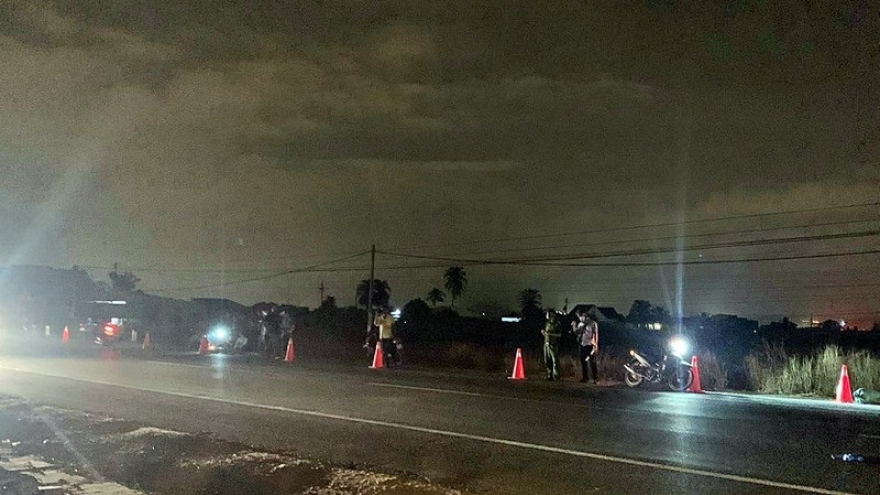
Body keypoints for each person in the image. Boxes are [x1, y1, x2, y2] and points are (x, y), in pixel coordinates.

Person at [572, 310, 599, 384]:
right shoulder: (581, 324)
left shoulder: (593, 324)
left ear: (585, 316)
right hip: (582, 344)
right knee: (583, 361)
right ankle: (585, 377)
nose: (580, 318)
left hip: (590, 345)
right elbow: (576, 332)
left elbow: (596, 334)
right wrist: (574, 326)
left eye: (581, 317)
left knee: (592, 362)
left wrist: (596, 345)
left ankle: (595, 378)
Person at [542, 310, 562, 380]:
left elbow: (559, 334)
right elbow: (546, 333)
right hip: (546, 343)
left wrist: (550, 334)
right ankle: (549, 375)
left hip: (553, 344)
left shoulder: (557, 324)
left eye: (549, 314)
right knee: (547, 360)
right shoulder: (547, 323)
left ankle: (556, 376)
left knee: (555, 360)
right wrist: (544, 333)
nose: (547, 315)